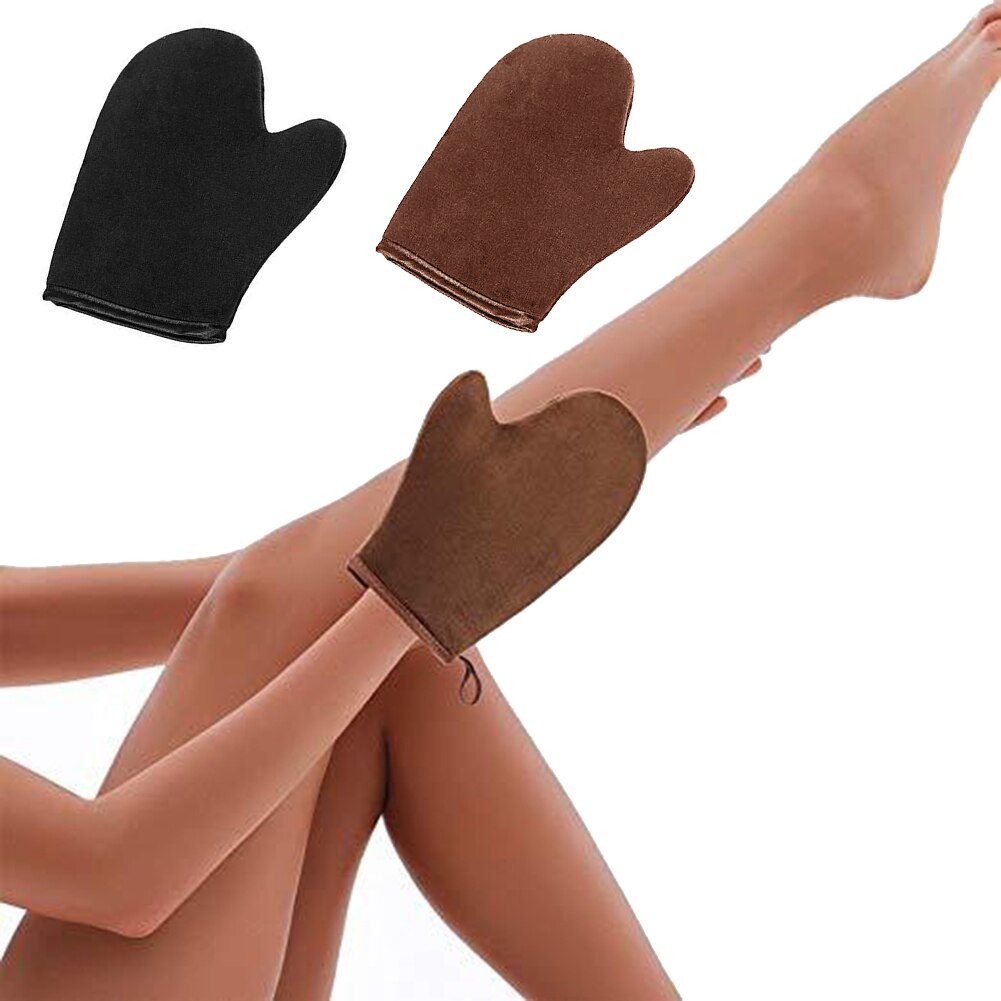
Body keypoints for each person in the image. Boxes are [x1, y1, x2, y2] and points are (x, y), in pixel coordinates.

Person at [1, 7, 998, 998]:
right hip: (127, 884)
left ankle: (818, 239)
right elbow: (117, 877)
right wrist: (411, 583)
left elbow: (237, 598)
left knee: (363, 641)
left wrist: (548, 474)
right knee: (370, 618)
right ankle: (817, 239)